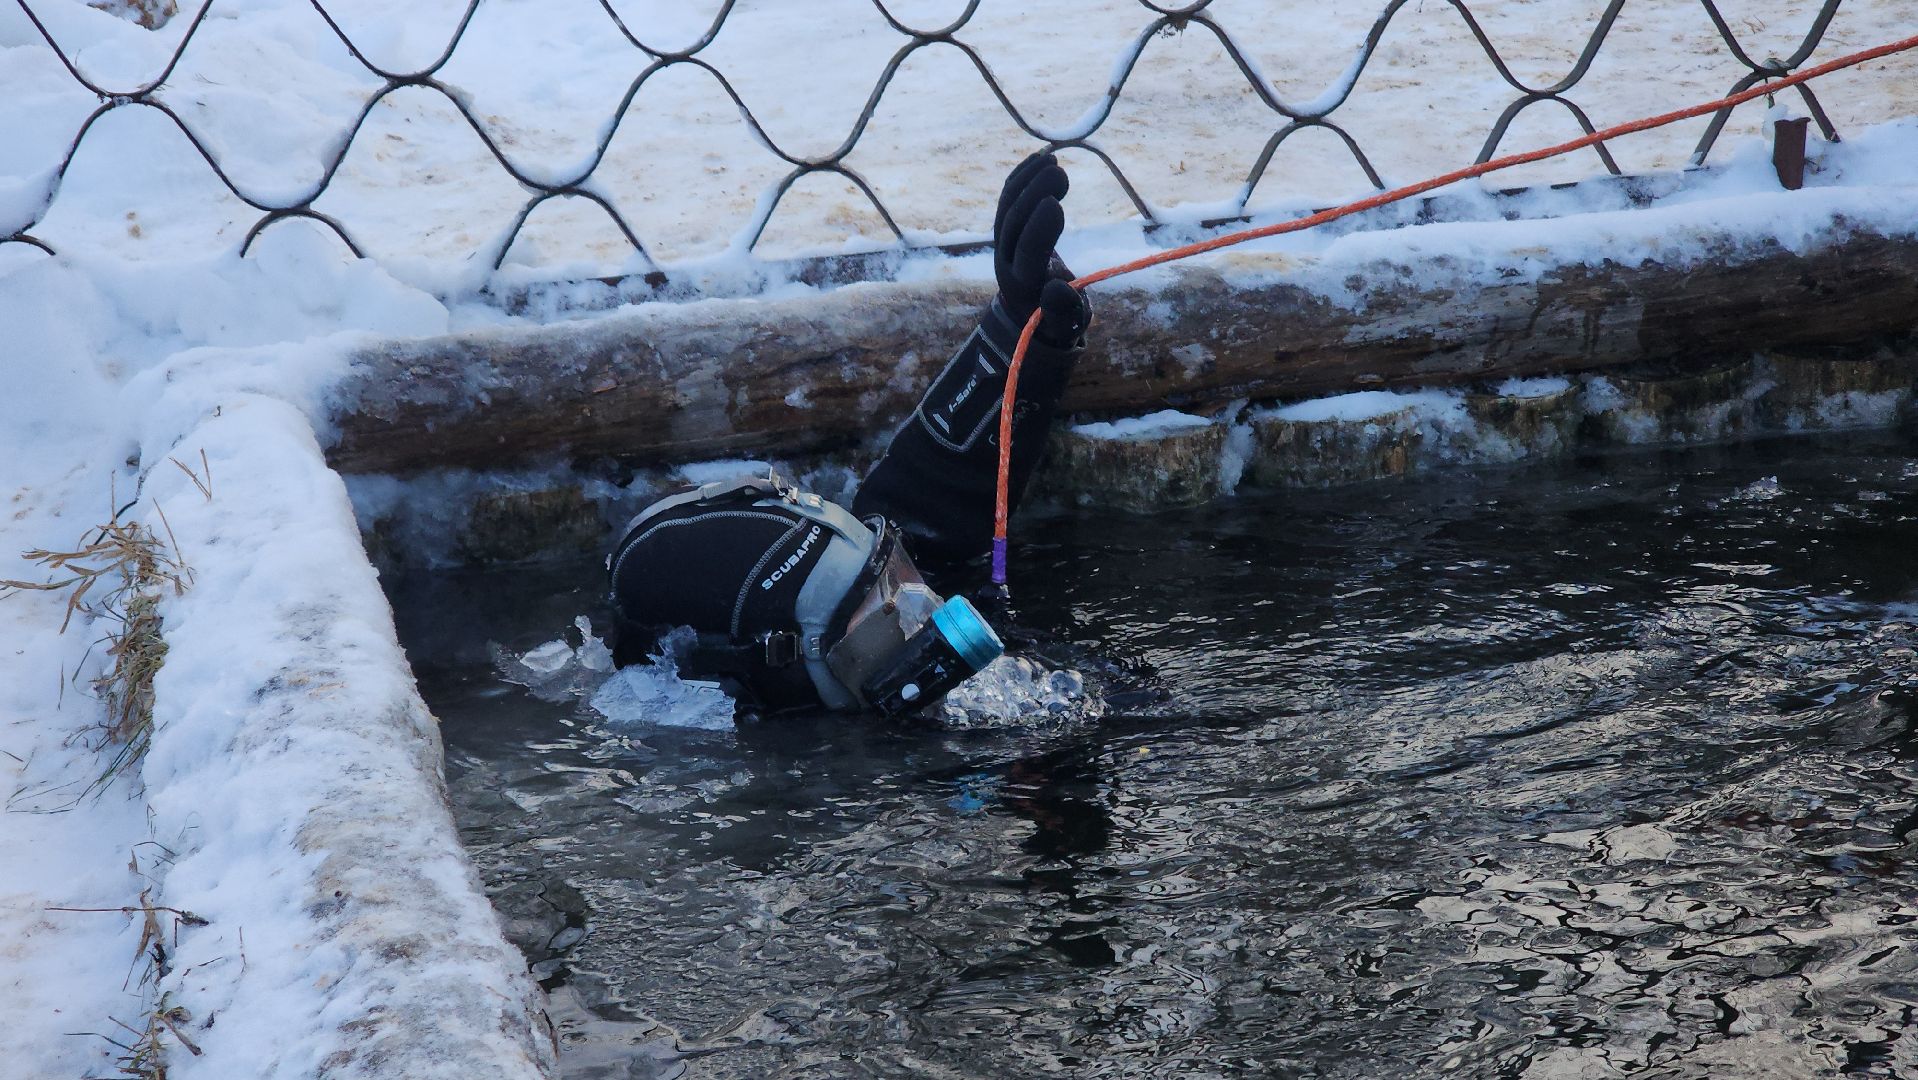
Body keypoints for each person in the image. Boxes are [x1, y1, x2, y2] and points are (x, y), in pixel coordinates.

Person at [607, 153, 1091, 718]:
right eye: (881, 614)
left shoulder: (880, 660)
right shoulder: (860, 794)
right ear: (776, 678)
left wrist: (1020, 339)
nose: (921, 613)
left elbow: (922, 525)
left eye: (891, 573)